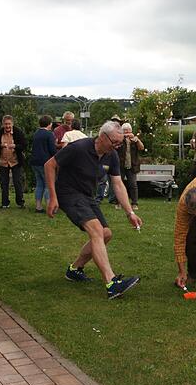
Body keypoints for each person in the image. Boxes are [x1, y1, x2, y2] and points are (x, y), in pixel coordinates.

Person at [45, 120, 143, 299]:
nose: (117, 146)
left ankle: (74, 269)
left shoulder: (111, 155)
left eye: (119, 142)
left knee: (106, 234)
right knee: (97, 230)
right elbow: (50, 165)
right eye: (114, 142)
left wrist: (130, 212)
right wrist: (53, 197)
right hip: (68, 193)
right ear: (102, 136)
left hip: (87, 197)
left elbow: (118, 183)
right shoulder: (79, 148)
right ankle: (112, 283)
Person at [0, 115, 27, 209]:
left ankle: (20, 202)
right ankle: (5, 203)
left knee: (17, 182)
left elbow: (24, 144)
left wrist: (15, 146)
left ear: (12, 124)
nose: (7, 126)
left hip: (15, 161)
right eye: (6, 124)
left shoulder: (18, 132)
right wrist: (1, 145)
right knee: (4, 183)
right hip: (3, 161)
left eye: (9, 124)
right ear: (3, 124)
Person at [30, 115, 56, 213]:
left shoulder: (36, 133)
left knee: (39, 184)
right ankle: (50, 206)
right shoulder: (49, 134)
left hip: (35, 162)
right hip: (45, 162)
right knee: (48, 184)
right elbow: (52, 150)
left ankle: (38, 206)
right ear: (49, 124)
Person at [117, 122, 144, 210]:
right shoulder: (120, 139)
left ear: (131, 131)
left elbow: (141, 148)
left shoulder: (134, 140)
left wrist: (137, 140)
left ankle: (134, 203)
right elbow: (115, 147)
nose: (127, 133)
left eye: (128, 131)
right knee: (119, 184)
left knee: (133, 185)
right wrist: (122, 137)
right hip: (121, 165)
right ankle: (119, 203)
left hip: (132, 165)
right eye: (125, 131)